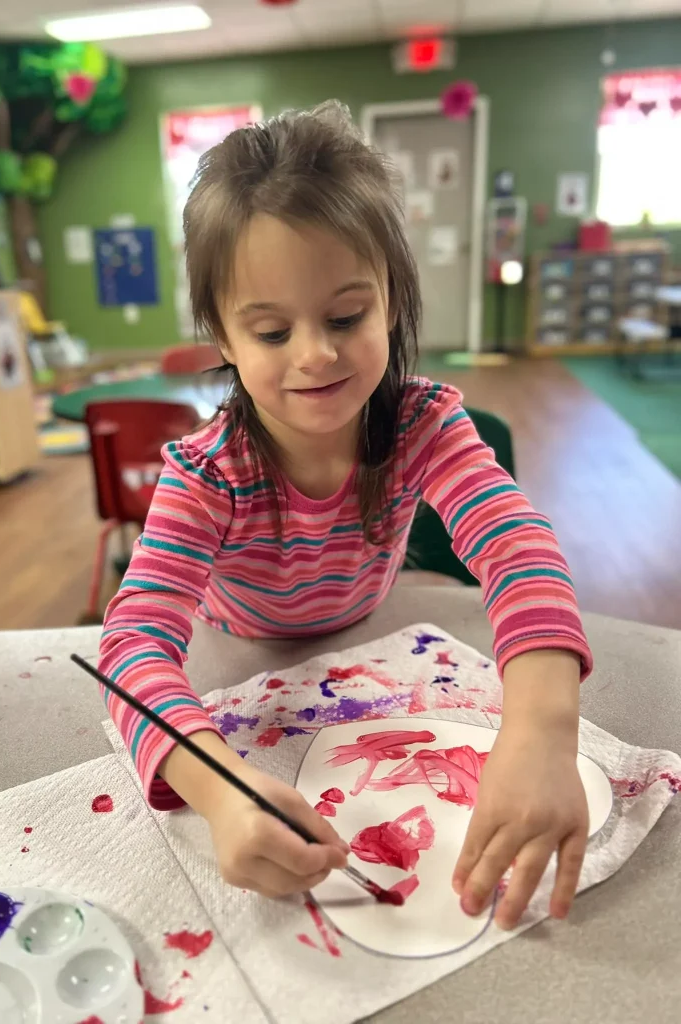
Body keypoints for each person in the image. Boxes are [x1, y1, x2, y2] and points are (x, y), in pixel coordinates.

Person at [100, 101, 592, 931]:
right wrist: (218, 789)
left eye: (344, 317)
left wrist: (544, 725)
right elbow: (132, 646)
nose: (315, 354)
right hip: (236, 657)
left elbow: (515, 545)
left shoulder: (424, 426)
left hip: (376, 636)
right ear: (220, 333)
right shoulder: (206, 474)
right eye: (269, 329)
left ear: (392, 300)